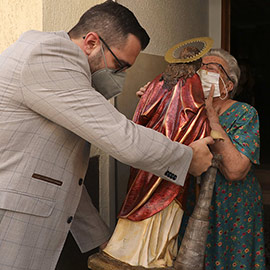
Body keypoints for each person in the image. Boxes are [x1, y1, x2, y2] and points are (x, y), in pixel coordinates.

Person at [0, 1, 214, 270]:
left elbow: (62, 174)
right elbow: (124, 139)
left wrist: (102, 239)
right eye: (119, 65)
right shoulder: (49, 56)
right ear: (91, 42)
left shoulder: (62, 71)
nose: (121, 76)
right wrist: (187, 157)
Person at [99, 46, 212, 269]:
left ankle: (125, 249)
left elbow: (141, 114)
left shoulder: (159, 80)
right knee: (166, 202)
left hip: (149, 154)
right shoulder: (194, 83)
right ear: (196, 64)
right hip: (174, 157)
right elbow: (198, 116)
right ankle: (154, 255)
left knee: (140, 196)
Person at [198, 49, 265, 269]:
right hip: (198, 204)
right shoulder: (190, 110)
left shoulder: (245, 113)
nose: (202, 71)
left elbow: (235, 170)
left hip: (234, 207)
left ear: (228, 85)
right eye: (201, 66)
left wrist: (212, 118)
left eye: (211, 68)